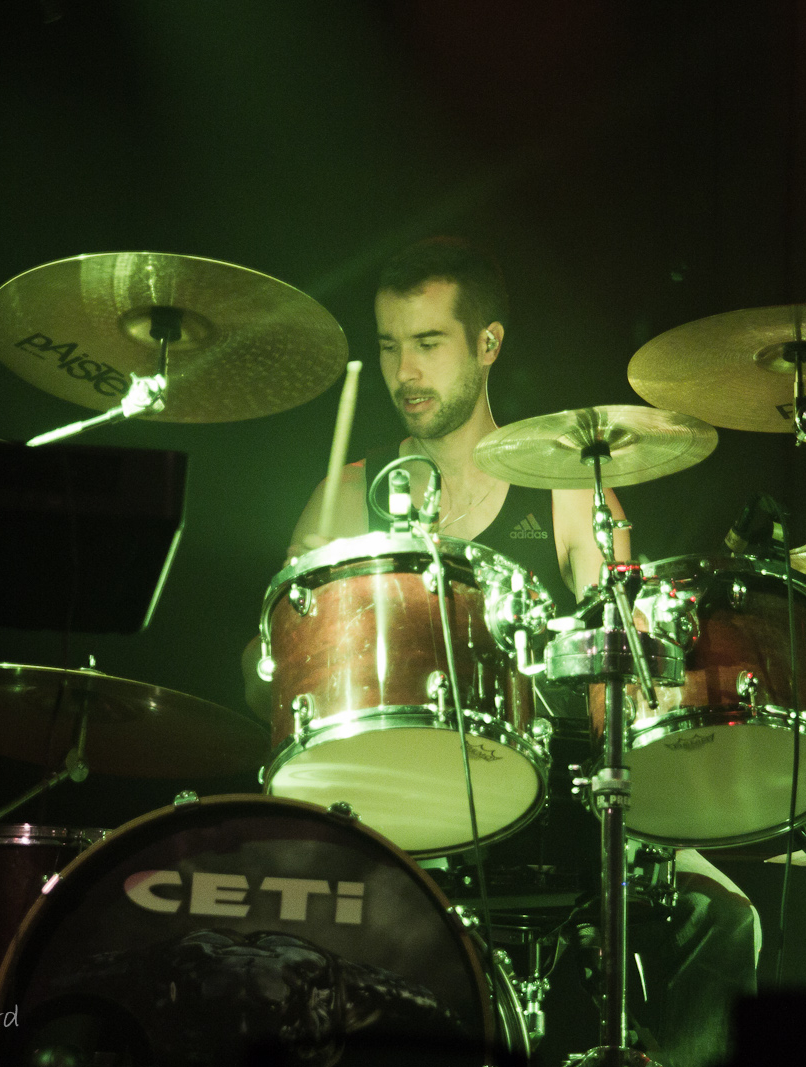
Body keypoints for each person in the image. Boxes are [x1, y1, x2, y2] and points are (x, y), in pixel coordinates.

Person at [255, 237, 759, 1066]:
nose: (404, 372)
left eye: (428, 343)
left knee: (724, 918)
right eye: (389, 345)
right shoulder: (343, 496)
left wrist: (631, 662)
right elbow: (267, 686)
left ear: (487, 343)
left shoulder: (563, 489)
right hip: (394, 812)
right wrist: (284, 638)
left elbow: (622, 651)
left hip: (555, 806)